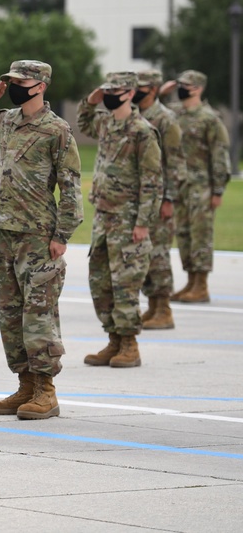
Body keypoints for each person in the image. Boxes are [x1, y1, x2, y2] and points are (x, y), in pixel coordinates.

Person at [0, 60, 82, 420]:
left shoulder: (57, 130)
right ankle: (25, 385)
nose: (14, 87)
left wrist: (61, 234)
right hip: (5, 230)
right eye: (11, 81)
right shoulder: (7, 121)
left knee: (39, 312)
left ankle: (46, 391)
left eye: (20, 82)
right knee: (10, 313)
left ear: (40, 86)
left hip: (37, 234)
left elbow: (70, 188)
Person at [78, 72, 162, 368]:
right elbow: (84, 122)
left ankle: (130, 344)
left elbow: (152, 182)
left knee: (125, 283)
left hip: (128, 220)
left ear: (129, 93)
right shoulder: (106, 122)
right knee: (100, 282)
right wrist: (90, 101)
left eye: (115, 90)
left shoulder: (142, 130)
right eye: (107, 90)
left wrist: (143, 223)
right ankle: (113, 339)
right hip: (103, 218)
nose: (110, 95)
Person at [160, 70, 231, 304]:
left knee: (201, 235)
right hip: (179, 185)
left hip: (202, 186)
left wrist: (218, 189)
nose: (182, 89)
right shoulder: (175, 114)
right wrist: (161, 95)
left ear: (198, 88)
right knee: (184, 234)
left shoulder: (210, 118)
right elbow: (154, 116)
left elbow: (219, 155)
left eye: (186, 85)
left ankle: (201, 285)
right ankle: (190, 281)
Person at [133, 70, 186, 329]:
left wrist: (169, 199)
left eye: (141, 87)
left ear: (153, 89)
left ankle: (164, 309)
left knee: (159, 253)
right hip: (140, 198)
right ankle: (153, 306)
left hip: (160, 196)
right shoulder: (134, 116)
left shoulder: (166, 119)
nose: (136, 92)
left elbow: (176, 162)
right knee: (145, 254)